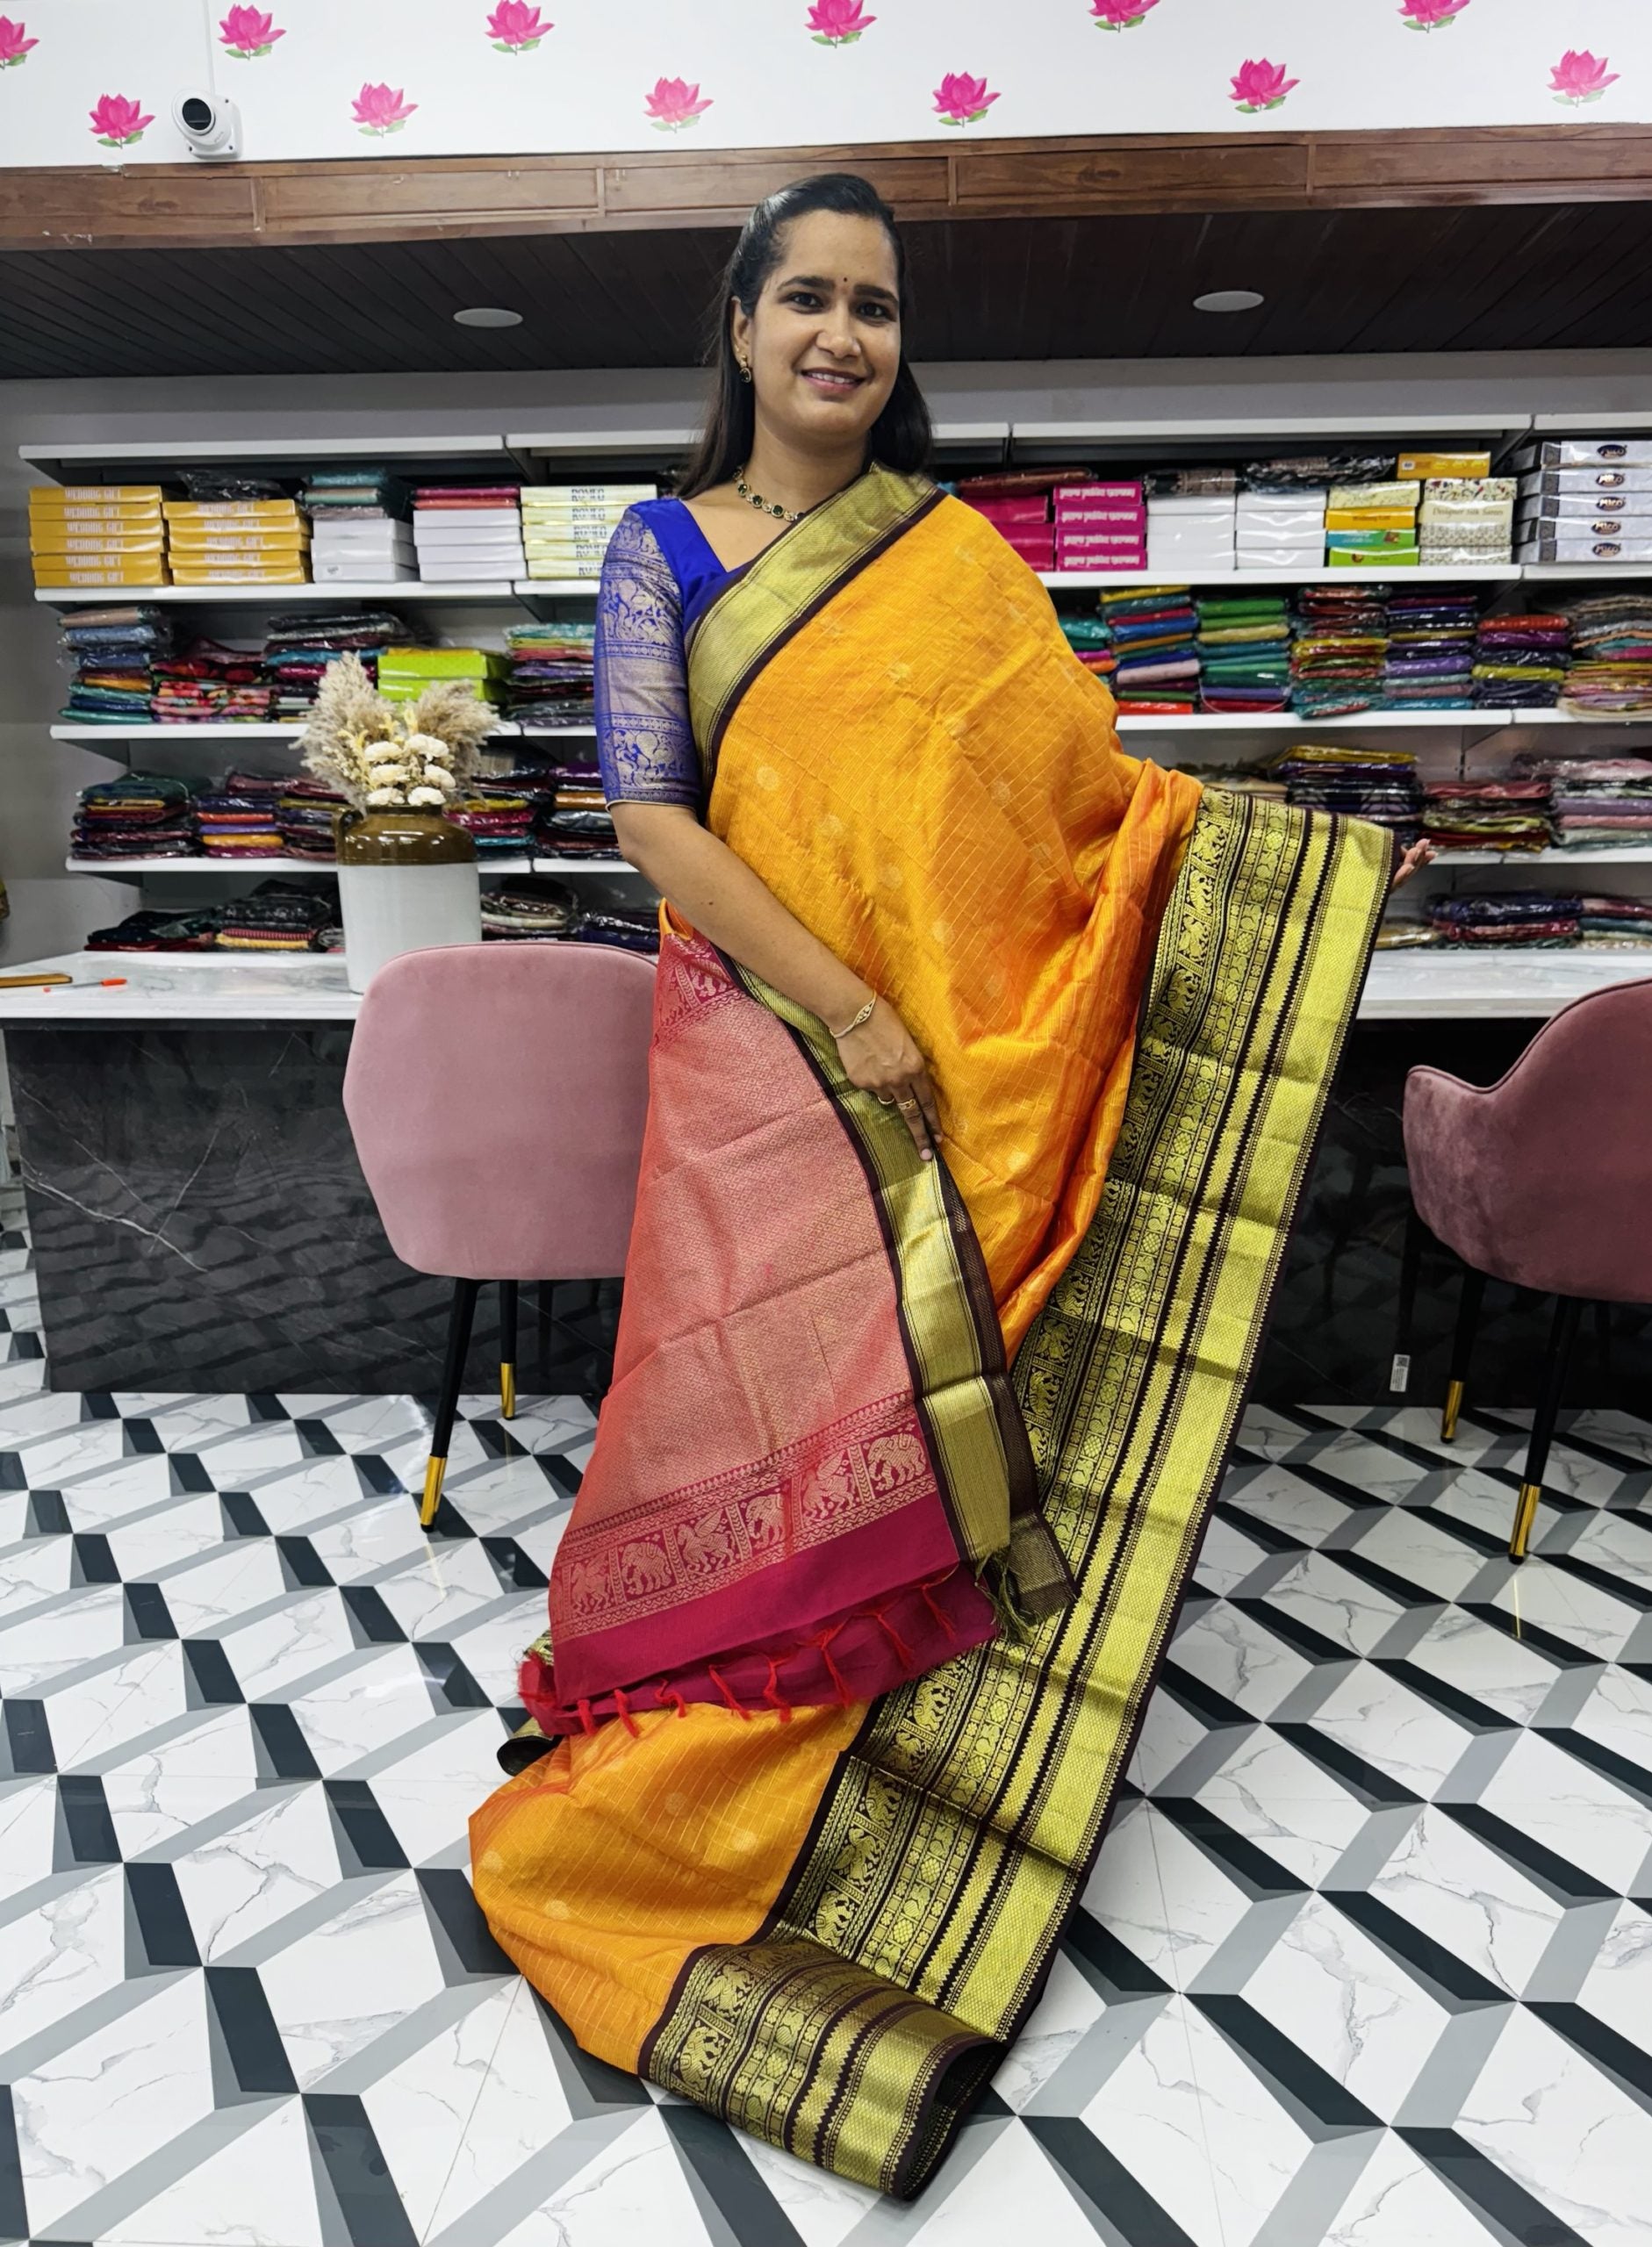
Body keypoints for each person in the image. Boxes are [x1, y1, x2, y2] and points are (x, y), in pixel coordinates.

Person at [471, 171, 1397, 2199]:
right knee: (740, 1416)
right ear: (736, 324)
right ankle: (682, 1794)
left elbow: (1075, 798)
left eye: (874, 307)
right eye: (802, 296)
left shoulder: (958, 557)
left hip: (967, 1065)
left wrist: (1270, 864)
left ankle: (911, 1785)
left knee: (930, 1409)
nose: (839, 334)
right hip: (764, 1060)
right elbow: (648, 812)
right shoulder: (662, 551)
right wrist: (847, 1005)